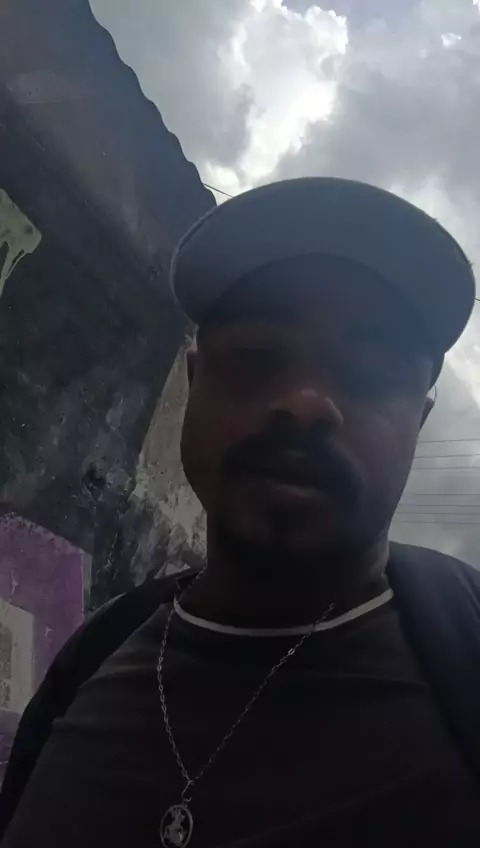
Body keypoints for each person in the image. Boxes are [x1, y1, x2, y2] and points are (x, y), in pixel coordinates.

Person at [2, 177, 480, 848]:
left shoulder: (465, 661)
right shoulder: (93, 660)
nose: (306, 404)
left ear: (418, 422)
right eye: (257, 357)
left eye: (371, 373)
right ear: (195, 382)